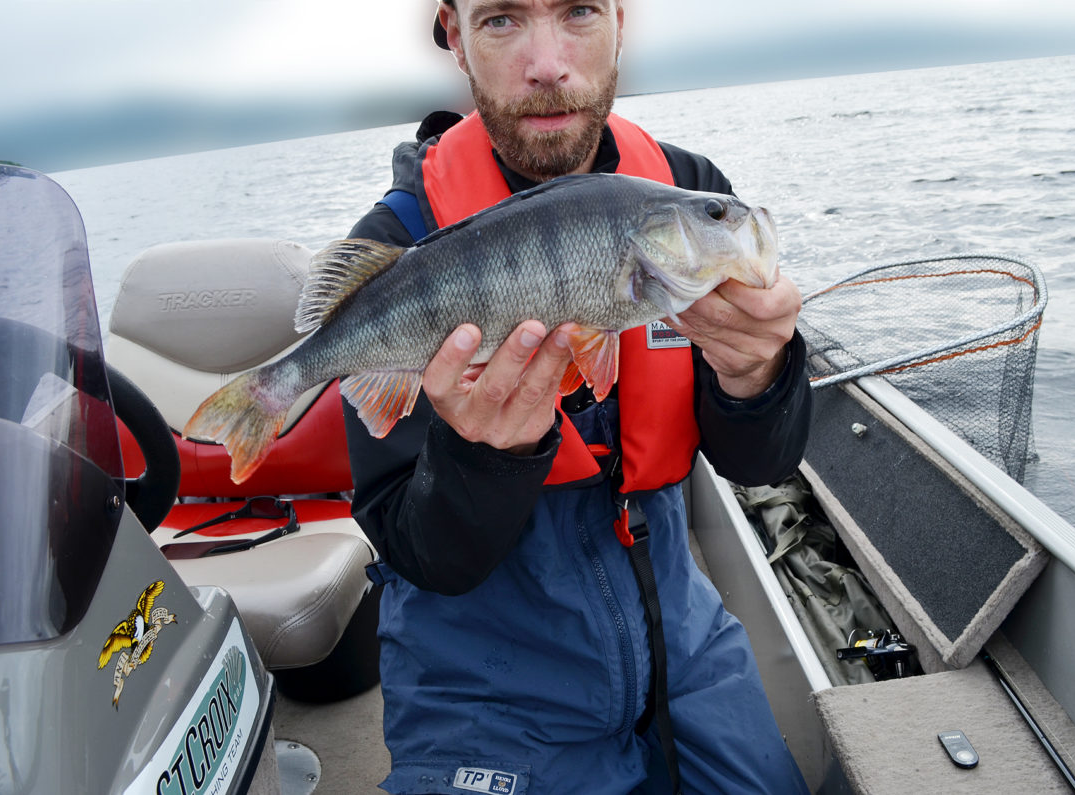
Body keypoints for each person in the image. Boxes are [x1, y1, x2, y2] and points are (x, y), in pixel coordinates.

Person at [344, 2, 813, 793]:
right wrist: (480, 459)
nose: (548, 63)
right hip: (479, 671)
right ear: (454, 38)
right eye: (501, 20)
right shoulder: (396, 252)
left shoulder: (688, 194)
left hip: (682, 630)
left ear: (621, 21)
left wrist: (758, 372)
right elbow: (415, 549)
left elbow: (758, 459)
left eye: (578, 12)